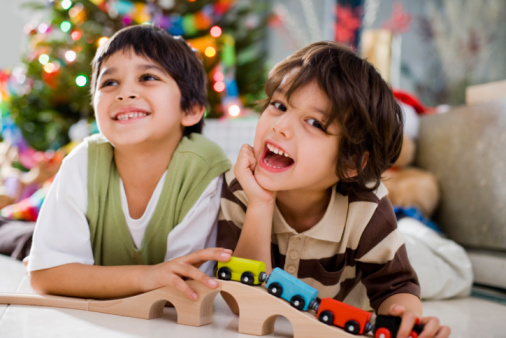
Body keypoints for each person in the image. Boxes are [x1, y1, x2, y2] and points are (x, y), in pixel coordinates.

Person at [218, 41, 450, 337]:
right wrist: (260, 204)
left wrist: (402, 319)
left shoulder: (366, 206)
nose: (281, 126)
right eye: (279, 106)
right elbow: (240, 302)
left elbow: (397, 286)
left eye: (314, 123)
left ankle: (422, 233)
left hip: (419, 255)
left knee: (448, 267)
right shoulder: (241, 187)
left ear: (352, 161)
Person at [28, 25, 232, 301]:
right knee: (14, 236)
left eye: (147, 77)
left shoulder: (202, 168)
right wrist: (145, 276)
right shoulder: (83, 160)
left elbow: (183, 287)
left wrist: (78, 275)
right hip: (36, 243)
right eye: (109, 83)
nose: (124, 93)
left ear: (191, 109)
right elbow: (46, 275)